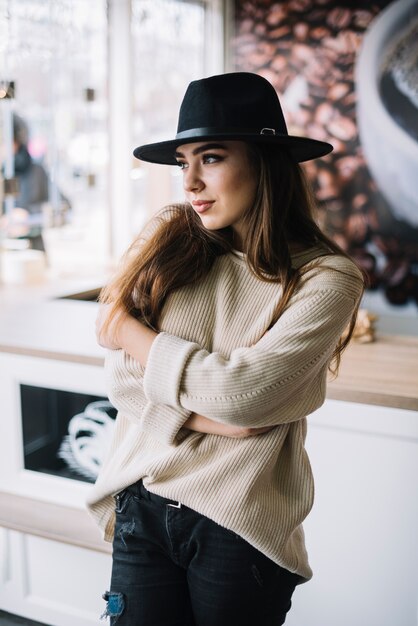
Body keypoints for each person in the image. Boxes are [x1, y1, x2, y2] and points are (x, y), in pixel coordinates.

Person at [89, 72, 365, 626]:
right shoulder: (167, 239)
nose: (189, 181)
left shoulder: (325, 278)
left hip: (239, 522)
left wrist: (133, 335)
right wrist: (215, 422)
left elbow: (241, 393)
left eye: (210, 157)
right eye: (182, 161)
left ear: (264, 162)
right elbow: (120, 380)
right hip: (141, 500)